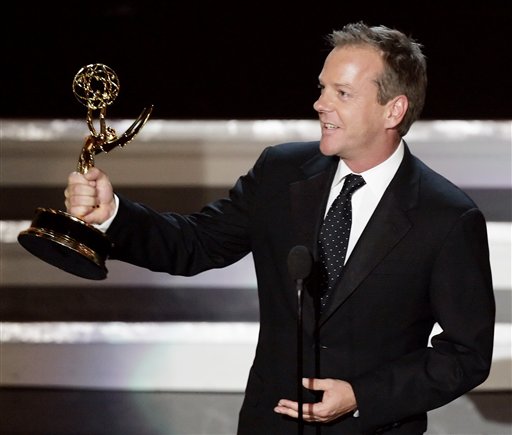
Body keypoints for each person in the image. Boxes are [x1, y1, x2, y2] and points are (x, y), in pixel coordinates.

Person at [64, 22, 495, 435]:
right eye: (322, 88)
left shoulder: (446, 217)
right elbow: (195, 243)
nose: (320, 104)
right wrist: (113, 213)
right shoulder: (280, 172)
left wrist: (362, 396)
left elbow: (466, 354)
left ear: (393, 109)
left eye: (342, 93)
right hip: (271, 424)